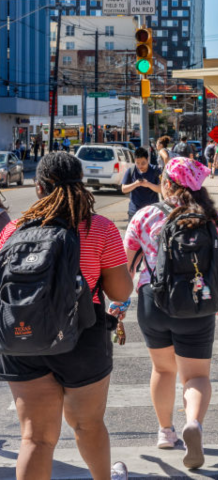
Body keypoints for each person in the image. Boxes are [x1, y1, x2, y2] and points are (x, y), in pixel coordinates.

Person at [0, 151, 134, 480]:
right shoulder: (98, 228)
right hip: (81, 336)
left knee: (35, 438)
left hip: (22, 337)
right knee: (87, 425)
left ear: (39, 188)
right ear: (82, 183)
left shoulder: (12, 230)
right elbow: (120, 292)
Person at [124, 157, 218, 470]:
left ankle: (165, 432)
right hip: (198, 302)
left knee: (162, 370)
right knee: (196, 375)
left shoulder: (146, 215)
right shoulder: (213, 219)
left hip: (152, 301)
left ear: (168, 183)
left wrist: (119, 302)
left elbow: (127, 261)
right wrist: (217, 298)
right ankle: (194, 425)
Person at [121, 147, 162, 221]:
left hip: (151, 211)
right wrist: (135, 184)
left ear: (148, 159)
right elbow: (123, 189)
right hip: (134, 211)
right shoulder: (131, 171)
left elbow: (161, 189)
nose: (140, 166)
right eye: (137, 163)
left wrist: (148, 184)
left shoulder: (155, 170)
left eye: (143, 163)